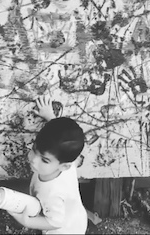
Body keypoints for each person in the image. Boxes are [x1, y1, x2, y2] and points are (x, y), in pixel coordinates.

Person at [7, 96, 89, 234]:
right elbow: (60, 140)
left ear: (64, 166)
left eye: (44, 160)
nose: (34, 160)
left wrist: (26, 221)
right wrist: (50, 117)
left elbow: (55, 222)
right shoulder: (63, 159)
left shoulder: (52, 195)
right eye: (34, 150)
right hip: (76, 217)